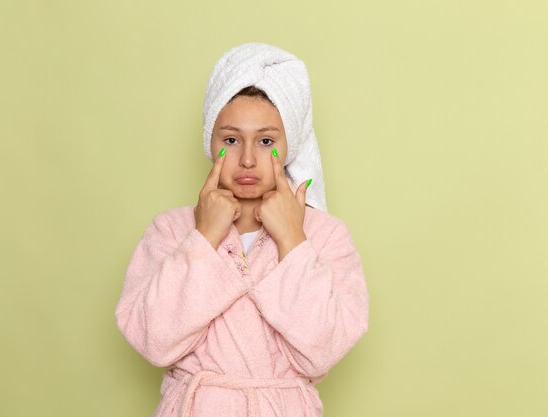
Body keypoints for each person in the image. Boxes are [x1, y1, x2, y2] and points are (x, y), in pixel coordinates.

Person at [115, 42, 369, 417]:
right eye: (231, 140)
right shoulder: (171, 230)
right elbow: (153, 341)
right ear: (210, 141)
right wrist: (203, 240)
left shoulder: (325, 235)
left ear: (290, 146)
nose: (248, 159)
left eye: (266, 141)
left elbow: (323, 351)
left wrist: (293, 242)